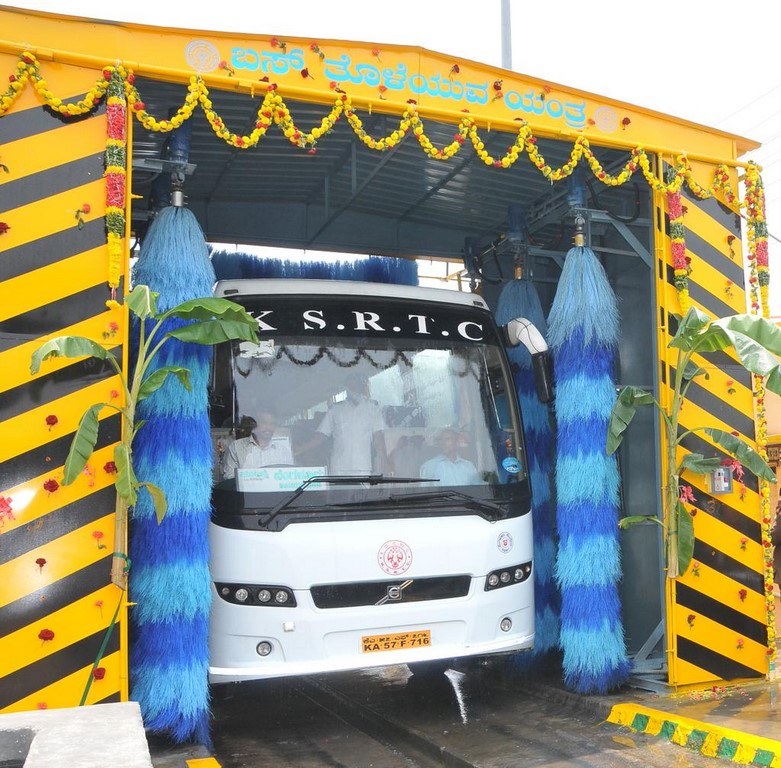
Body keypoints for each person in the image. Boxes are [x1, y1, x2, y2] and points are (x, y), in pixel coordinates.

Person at [296, 372, 387, 475]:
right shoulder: (336, 409)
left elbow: (379, 438)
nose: (352, 389)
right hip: (339, 468)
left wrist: (386, 462)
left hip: (363, 467)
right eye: (350, 386)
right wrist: (302, 448)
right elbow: (321, 435)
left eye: (355, 385)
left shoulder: (373, 409)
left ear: (361, 387)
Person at [222, 409, 293, 479]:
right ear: (254, 424)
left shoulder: (282, 451)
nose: (268, 428)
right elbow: (229, 478)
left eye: (272, 424)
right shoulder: (236, 447)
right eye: (264, 423)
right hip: (246, 490)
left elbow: (289, 477)